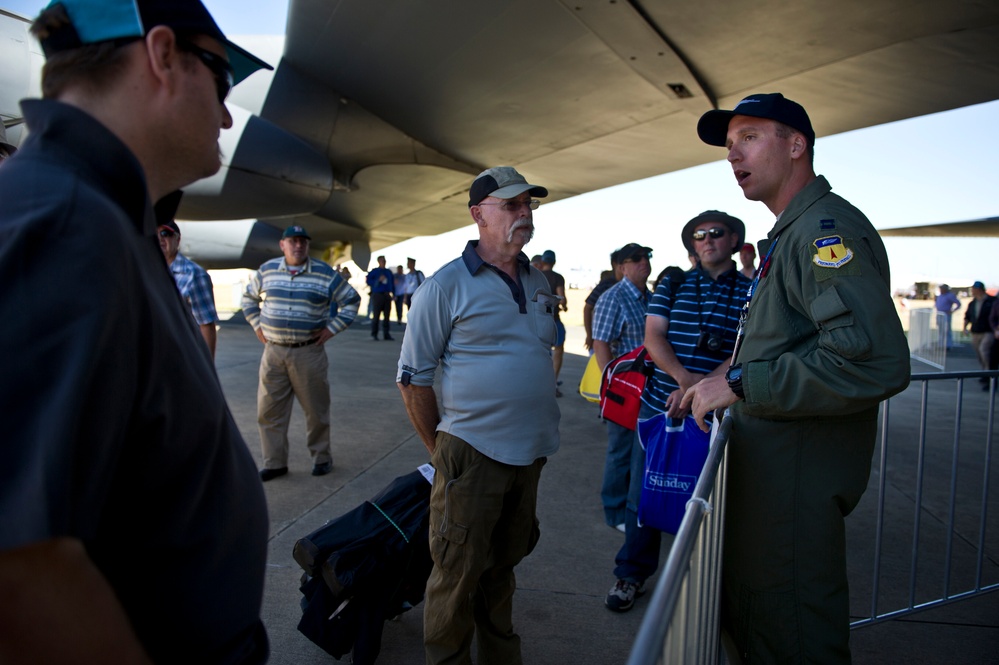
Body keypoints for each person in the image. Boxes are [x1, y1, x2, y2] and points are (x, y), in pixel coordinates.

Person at [0, 1, 274, 662]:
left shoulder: (105, 219)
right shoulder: (65, 224)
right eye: (221, 77)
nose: (227, 114)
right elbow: (17, 566)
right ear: (161, 55)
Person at [682, 93, 910, 663]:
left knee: (790, 637)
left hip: (791, 492)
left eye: (750, 138)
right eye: (730, 146)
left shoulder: (823, 233)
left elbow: (871, 359)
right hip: (773, 480)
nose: (734, 156)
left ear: (795, 144)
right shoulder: (790, 234)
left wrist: (739, 386)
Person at [396, 166, 559, 665]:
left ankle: (500, 658)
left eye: (528, 205)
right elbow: (412, 378)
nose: (524, 213)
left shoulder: (540, 281)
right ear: (478, 214)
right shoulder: (444, 287)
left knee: (503, 566)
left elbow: (543, 350)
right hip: (472, 452)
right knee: (456, 574)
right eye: (511, 205)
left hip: (529, 455)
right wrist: (442, 453)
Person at [605, 213, 750, 613]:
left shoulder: (751, 289)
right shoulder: (674, 282)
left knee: (708, 500)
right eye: (699, 236)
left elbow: (744, 351)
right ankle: (631, 574)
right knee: (643, 495)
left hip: (715, 413)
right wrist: (686, 381)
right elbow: (654, 337)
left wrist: (701, 390)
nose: (707, 241)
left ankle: (700, 587)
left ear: (734, 239)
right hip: (659, 408)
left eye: (716, 234)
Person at [242, 225, 360, 481]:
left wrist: (331, 329)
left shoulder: (323, 273)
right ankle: (274, 463)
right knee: (269, 410)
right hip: (273, 353)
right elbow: (248, 298)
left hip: (308, 352)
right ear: (282, 244)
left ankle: (321, 458)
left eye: (303, 242)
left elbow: (351, 300)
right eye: (293, 241)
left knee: (316, 410)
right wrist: (257, 324)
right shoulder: (268, 270)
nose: (298, 245)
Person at [591, 242, 653, 533]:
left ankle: (635, 507)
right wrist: (612, 386)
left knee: (642, 452)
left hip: (650, 390)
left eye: (647, 256)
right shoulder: (613, 298)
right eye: (636, 258)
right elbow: (601, 343)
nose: (644, 262)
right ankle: (615, 512)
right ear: (621, 267)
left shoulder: (649, 297)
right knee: (620, 452)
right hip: (626, 391)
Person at [155, 191, 220, 358]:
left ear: (177, 240)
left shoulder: (194, 275)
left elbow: (206, 325)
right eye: (156, 234)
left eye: (166, 234)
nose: (161, 239)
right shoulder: (149, 269)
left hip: (181, 356)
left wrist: (208, 366)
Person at [539, 249, 568, 395]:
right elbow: (561, 297)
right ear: (554, 262)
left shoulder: (536, 276)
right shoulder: (558, 277)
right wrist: (564, 305)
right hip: (554, 320)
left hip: (537, 321)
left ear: (543, 262)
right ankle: (553, 383)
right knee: (558, 350)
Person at [583, 248, 624, 351]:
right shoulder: (605, 286)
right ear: (615, 264)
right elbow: (588, 308)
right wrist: (589, 335)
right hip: (604, 345)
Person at [963, 280, 995, 378]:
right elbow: (967, 316)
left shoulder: (992, 301)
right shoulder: (972, 303)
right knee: (979, 352)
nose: (972, 291)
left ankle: (989, 373)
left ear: (979, 289)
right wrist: (964, 327)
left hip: (988, 331)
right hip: (976, 331)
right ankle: (984, 371)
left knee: (984, 350)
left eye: (974, 289)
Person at [366, 254, 395, 340]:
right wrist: (377, 280)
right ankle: (374, 334)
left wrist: (394, 294)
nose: (384, 262)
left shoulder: (388, 272)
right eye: (382, 261)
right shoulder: (375, 271)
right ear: (379, 262)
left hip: (387, 295)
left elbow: (392, 284)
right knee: (376, 315)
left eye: (384, 261)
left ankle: (386, 333)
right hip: (378, 295)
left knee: (387, 315)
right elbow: (368, 281)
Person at [934, 283, 962, 349]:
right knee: (940, 330)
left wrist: (952, 311)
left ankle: (948, 345)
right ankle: (941, 344)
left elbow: (958, 304)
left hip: (946, 315)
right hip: (939, 314)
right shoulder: (940, 296)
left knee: (947, 330)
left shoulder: (950, 296)